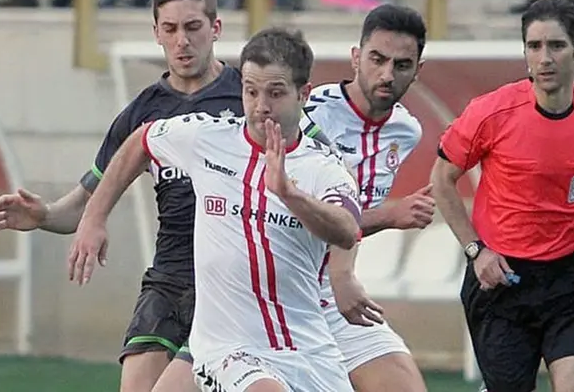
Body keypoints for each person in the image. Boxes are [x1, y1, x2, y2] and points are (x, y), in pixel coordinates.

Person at [0, 0, 241, 392]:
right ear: (156, 32)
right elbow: (86, 202)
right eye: (170, 29)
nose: (182, 41)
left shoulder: (249, 95)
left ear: (216, 28)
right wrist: (44, 213)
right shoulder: (142, 112)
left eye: (193, 28)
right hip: (170, 278)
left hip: (233, 280)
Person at [70, 27, 361, 392]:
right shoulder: (208, 138)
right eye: (251, 91)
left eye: (275, 93)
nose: (260, 106)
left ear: (303, 94)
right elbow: (141, 140)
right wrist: (95, 217)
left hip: (310, 351)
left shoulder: (323, 166)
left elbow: (348, 229)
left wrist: (290, 195)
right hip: (226, 350)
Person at [430, 0, 574, 392]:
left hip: (570, 281)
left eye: (556, 46)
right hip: (501, 281)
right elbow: (442, 179)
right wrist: (477, 251)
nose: (544, 58)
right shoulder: (489, 112)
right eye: (534, 46)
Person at [300, 3, 432, 392]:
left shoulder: (407, 131)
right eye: (377, 59)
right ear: (356, 57)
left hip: (333, 292)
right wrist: (389, 216)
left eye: (402, 65)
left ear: (418, 70)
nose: (387, 74)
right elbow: (293, 218)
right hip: (279, 292)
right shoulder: (311, 116)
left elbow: (346, 220)